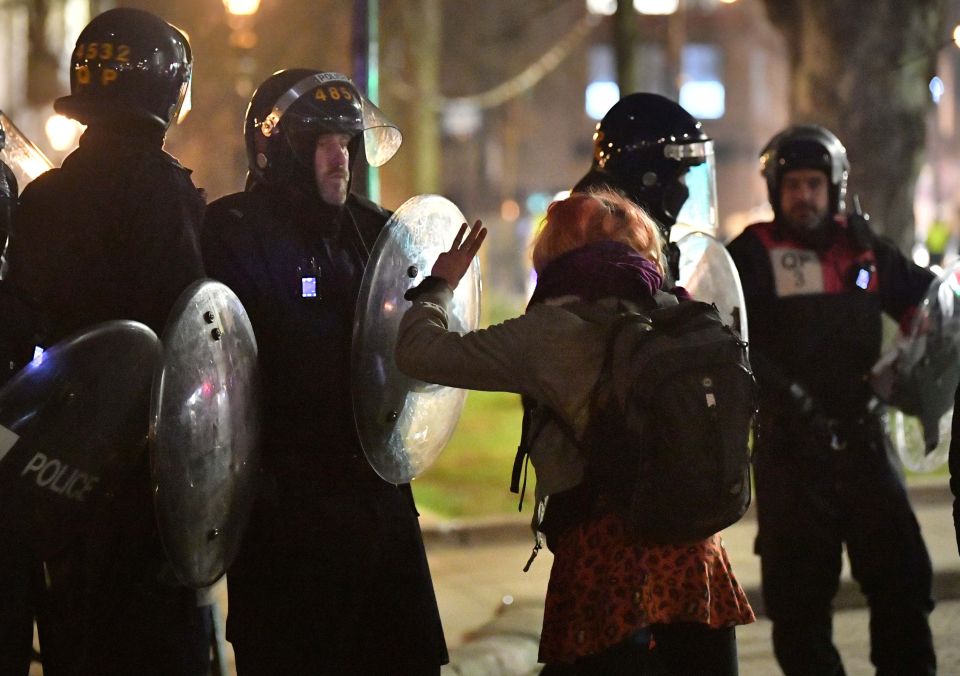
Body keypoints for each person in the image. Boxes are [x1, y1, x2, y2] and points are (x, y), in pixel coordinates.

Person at [395, 188, 754, 675]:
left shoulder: (548, 332)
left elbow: (419, 352)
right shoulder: (676, 309)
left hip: (606, 566)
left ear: (554, 252)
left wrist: (439, 285)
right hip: (696, 559)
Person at [200, 69, 448, 674]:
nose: (341, 156)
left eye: (347, 141)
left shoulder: (379, 230)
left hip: (378, 500)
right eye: (322, 142)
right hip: (287, 514)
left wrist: (436, 294)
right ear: (278, 151)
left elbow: (409, 355)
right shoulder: (234, 232)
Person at [1, 8, 211, 675]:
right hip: (145, 476)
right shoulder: (167, 192)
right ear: (168, 90)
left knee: (77, 639)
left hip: (59, 467)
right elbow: (193, 336)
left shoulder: (44, 197)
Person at [726, 124, 937, 675]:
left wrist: (907, 375)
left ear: (835, 187)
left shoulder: (864, 249)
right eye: (793, 185)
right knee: (798, 607)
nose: (804, 196)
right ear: (775, 190)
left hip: (865, 441)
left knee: (904, 581)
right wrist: (786, 400)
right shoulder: (750, 254)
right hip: (789, 452)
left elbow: (932, 309)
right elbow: (727, 339)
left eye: (814, 184)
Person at [573, 93, 717, 285]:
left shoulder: (626, 240)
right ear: (650, 177)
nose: (685, 190)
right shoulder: (603, 247)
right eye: (680, 177)